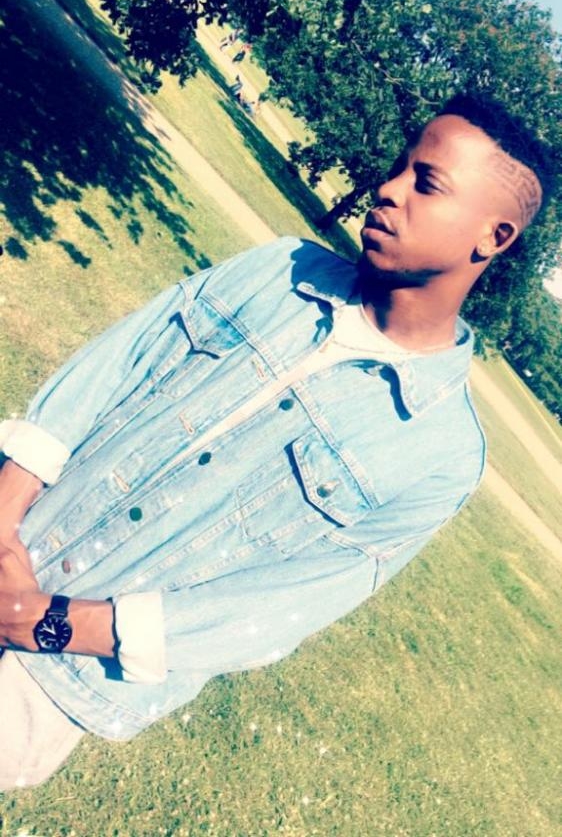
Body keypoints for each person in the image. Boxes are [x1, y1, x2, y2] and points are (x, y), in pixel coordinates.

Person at [0, 95, 548, 789]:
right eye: (399, 167)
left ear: (493, 237)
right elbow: (112, 367)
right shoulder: (277, 270)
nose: (388, 189)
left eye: (427, 183)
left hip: (56, 676)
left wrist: (39, 622)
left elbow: (272, 608)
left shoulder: (440, 455)